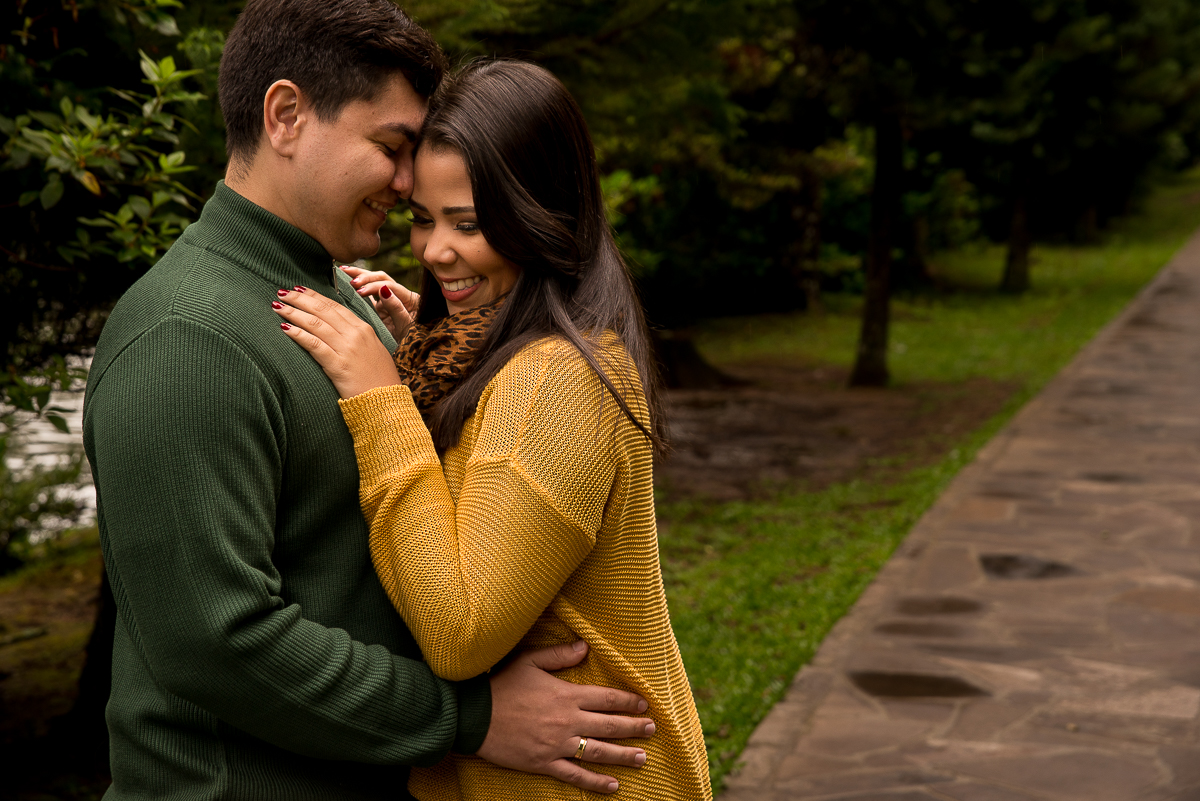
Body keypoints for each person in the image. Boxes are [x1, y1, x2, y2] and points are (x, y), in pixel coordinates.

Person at [81, 2, 653, 799]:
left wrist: (454, 351)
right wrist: (470, 716)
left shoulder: (338, 296)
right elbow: (220, 639)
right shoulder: (186, 336)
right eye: (391, 147)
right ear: (286, 116)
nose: (407, 179)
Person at [271, 59, 713, 800]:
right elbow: (477, 501)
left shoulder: (557, 379)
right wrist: (432, 354)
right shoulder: (528, 353)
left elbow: (459, 628)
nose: (434, 251)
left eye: (469, 224)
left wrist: (380, 398)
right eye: (422, 218)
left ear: (540, 215)